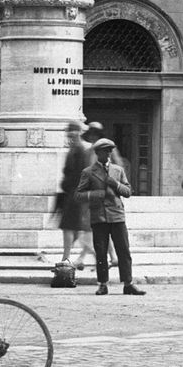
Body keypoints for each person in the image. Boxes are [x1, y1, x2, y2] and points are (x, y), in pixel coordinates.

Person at [78, 138, 144, 296]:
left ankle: (128, 283)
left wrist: (116, 185)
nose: (108, 154)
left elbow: (128, 192)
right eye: (105, 151)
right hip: (99, 216)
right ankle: (102, 284)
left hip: (117, 216)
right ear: (97, 153)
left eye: (110, 151)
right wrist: (97, 194)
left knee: (124, 251)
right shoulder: (88, 172)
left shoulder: (118, 170)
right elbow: (79, 195)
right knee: (101, 253)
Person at [54, 121, 93, 283]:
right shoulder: (75, 149)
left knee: (73, 227)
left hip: (76, 193)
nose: (70, 137)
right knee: (73, 227)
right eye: (68, 135)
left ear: (78, 133)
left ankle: (69, 257)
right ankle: (75, 257)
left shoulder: (81, 150)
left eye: (73, 134)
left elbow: (82, 173)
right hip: (72, 193)